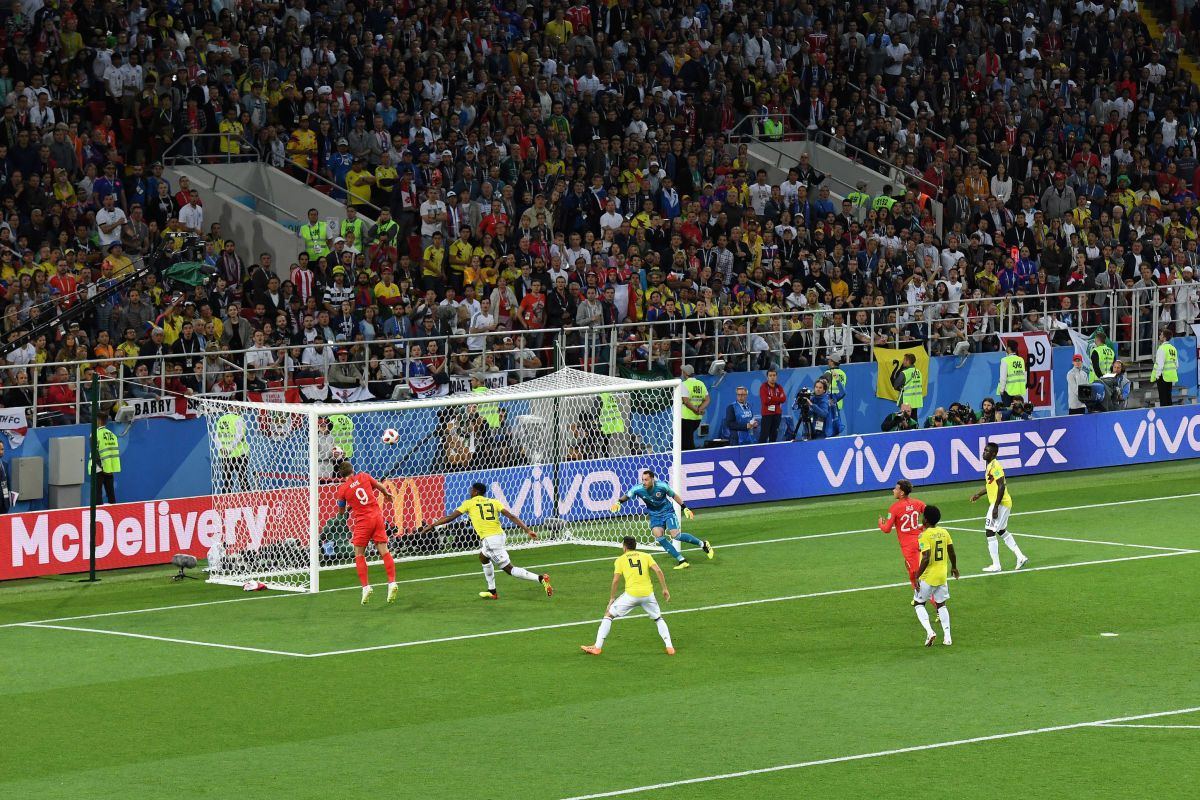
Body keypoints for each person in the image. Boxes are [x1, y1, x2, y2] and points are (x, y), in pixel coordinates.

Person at [418, 482, 552, 599]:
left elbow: (450, 517)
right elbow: (511, 515)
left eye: (471, 490)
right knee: (483, 557)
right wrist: (527, 530)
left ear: (475, 492)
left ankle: (541, 578)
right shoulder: (494, 502)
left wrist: (431, 525)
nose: (470, 492)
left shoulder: (469, 503)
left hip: (490, 540)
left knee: (509, 569)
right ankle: (492, 591)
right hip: (500, 535)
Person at [581, 536, 675, 656]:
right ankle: (670, 647)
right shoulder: (646, 556)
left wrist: (612, 598)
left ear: (624, 547)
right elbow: (658, 571)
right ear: (635, 546)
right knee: (658, 618)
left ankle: (597, 647)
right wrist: (665, 589)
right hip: (648, 594)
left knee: (609, 615)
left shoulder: (620, 560)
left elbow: (615, 580)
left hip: (631, 595)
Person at [610, 469, 711, 570]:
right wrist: (618, 502)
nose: (644, 482)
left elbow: (674, 495)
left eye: (646, 480)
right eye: (642, 480)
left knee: (675, 535)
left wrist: (684, 507)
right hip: (655, 516)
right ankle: (682, 560)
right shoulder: (638, 488)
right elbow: (627, 496)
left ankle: (703, 544)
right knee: (659, 536)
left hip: (668, 512)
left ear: (652, 480)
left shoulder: (662, 486)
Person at [333, 460, 398, 605]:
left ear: (341, 475)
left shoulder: (342, 489)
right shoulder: (364, 476)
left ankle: (365, 586)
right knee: (384, 550)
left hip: (363, 521)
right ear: (352, 470)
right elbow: (380, 486)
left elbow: (341, 511)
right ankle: (392, 582)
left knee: (359, 553)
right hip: (377, 517)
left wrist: (345, 505)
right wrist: (386, 493)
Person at [969, 441, 1028, 573]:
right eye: (984, 450)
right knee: (1001, 530)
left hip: (1000, 503)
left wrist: (995, 506)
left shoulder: (995, 466)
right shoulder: (990, 466)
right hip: (1003, 502)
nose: (984, 452)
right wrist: (979, 494)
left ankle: (996, 565)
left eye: (987, 451)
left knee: (989, 531)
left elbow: (1001, 485)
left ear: (993, 453)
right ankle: (1020, 556)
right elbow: (993, 485)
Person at [911, 505, 958, 647]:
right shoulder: (944, 532)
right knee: (941, 605)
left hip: (927, 577)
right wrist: (954, 567)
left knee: (919, 603)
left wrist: (917, 576)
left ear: (925, 519)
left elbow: (925, 558)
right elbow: (952, 552)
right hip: (942, 576)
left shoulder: (924, 536)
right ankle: (948, 638)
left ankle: (930, 632)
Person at [877, 479, 927, 590]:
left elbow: (887, 529)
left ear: (902, 493)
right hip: (921, 542)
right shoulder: (918, 503)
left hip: (909, 546)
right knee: (909, 567)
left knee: (917, 575)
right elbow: (930, 514)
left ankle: (936, 605)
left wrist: (880, 523)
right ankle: (917, 597)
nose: (893, 490)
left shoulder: (894, 508)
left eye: (896, 489)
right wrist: (923, 527)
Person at [215, 412, 251, 493]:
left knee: (227, 482)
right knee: (243, 480)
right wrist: (228, 449)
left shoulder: (221, 419)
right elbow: (239, 435)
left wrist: (221, 448)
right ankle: (248, 502)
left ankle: (226, 503)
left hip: (226, 455)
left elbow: (216, 436)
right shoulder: (238, 419)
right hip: (239, 455)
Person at [90, 410, 121, 504]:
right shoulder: (112, 435)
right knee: (111, 494)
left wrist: (102, 466)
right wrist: (108, 468)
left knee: (97, 495)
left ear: (98, 422)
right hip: (110, 469)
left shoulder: (95, 434)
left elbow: (95, 452)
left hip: (98, 468)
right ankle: (114, 514)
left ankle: (98, 516)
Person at [679, 364, 709, 450]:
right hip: (697, 418)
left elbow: (686, 401)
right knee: (687, 439)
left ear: (685, 374)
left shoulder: (684, 384)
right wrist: (699, 410)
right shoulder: (701, 384)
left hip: (685, 417)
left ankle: (689, 460)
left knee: (686, 442)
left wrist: (696, 410)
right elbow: (707, 400)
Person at [894, 352, 924, 423]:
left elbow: (896, 385)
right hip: (916, 401)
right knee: (914, 421)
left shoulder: (904, 373)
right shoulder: (918, 372)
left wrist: (900, 387)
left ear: (907, 361)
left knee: (904, 422)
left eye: (904, 360)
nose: (903, 362)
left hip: (906, 402)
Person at [996, 339, 1028, 405]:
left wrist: (1001, 390)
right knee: (1017, 410)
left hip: (1008, 391)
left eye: (1006, 346)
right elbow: (1024, 375)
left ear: (1009, 348)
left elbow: (1003, 377)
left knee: (1008, 411)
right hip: (1018, 390)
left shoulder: (1005, 360)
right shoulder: (1021, 360)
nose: (1006, 347)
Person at [758, 368, 786, 443]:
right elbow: (765, 400)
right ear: (767, 377)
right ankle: (761, 451)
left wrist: (771, 398)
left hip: (777, 414)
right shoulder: (763, 387)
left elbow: (783, 399)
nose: (772, 377)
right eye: (770, 375)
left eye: (774, 375)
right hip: (767, 414)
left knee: (774, 435)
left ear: (776, 377)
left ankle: (771, 453)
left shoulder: (779, 387)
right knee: (764, 436)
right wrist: (777, 399)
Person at [1151, 328, 1178, 407]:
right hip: (1170, 376)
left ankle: (1164, 416)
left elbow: (1160, 364)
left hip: (1162, 376)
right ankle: (1170, 415)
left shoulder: (1162, 348)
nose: (1160, 336)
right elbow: (1176, 364)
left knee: (1163, 398)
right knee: (1168, 397)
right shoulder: (1173, 348)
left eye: (1161, 335)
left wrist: (1157, 375)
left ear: (1164, 338)